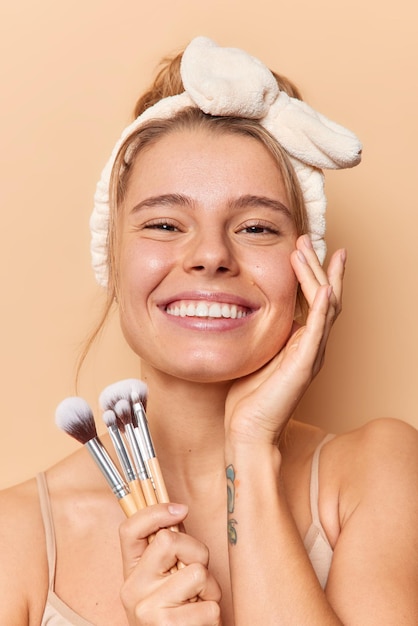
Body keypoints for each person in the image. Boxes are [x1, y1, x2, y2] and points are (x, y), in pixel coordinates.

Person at [0, 36, 417, 626]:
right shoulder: (13, 544)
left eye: (255, 228)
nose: (211, 255)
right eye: (167, 223)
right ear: (112, 261)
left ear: (306, 270)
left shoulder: (380, 472)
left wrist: (248, 446)